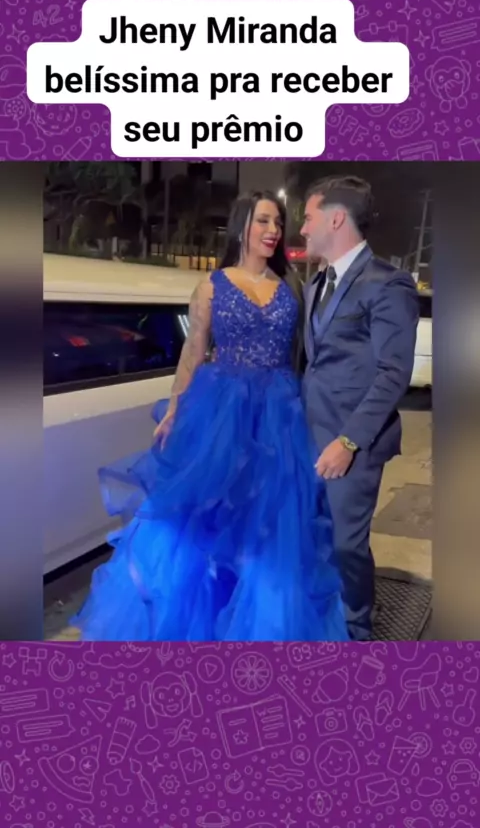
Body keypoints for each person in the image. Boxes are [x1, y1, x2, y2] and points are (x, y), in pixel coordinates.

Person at [71, 191, 349, 642]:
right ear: (242, 225)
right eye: (263, 220)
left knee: (271, 527)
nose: (273, 231)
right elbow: (194, 351)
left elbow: (304, 352)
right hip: (221, 414)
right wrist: (174, 408)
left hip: (279, 418)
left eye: (278, 222)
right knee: (201, 522)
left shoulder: (291, 286)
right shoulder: (211, 286)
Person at [301, 175, 420, 641]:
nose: (302, 229)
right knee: (319, 538)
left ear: (335, 219)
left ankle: (357, 633)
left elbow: (393, 372)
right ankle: (329, 617)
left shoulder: (388, 283)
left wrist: (348, 441)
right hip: (308, 433)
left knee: (346, 545)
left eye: (308, 218)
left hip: (352, 442)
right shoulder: (316, 283)